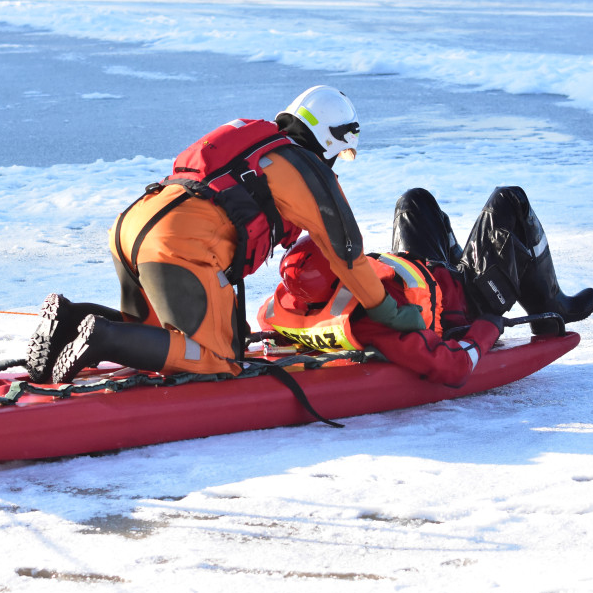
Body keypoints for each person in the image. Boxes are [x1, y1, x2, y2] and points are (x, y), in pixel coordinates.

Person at [25, 85, 422, 384]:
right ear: (331, 140)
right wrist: (386, 310)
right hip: (179, 242)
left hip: (134, 223)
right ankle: (102, 337)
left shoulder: (257, 141)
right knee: (219, 359)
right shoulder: (305, 169)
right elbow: (346, 253)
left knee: (156, 336)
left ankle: (71, 320)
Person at [257, 186, 593, 387]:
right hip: (469, 304)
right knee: (510, 200)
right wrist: (486, 327)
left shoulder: (289, 303)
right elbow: (450, 367)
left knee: (414, 200)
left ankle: (461, 263)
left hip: (430, 276)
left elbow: (273, 324)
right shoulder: (375, 319)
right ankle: (552, 308)